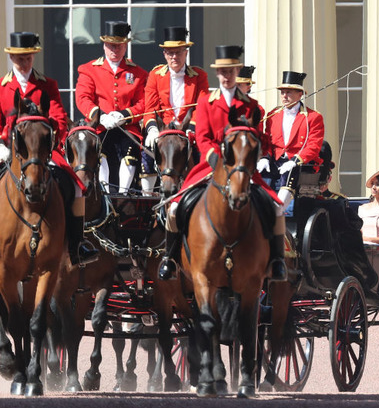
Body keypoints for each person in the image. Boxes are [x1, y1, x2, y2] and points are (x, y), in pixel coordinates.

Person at [0, 31, 98, 265]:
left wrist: (49, 141)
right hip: (6, 151)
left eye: (28, 58)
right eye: (20, 58)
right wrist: (0, 146)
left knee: (77, 187)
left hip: (41, 151)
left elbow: (60, 118)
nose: (25, 63)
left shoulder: (47, 85)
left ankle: (77, 244)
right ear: (12, 58)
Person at [158, 45, 287, 283]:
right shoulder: (206, 101)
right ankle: (170, 258)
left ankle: (277, 260)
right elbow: (203, 138)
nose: (227, 76)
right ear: (218, 73)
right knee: (176, 208)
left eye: (231, 71)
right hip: (211, 166)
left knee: (276, 207)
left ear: (237, 71)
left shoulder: (252, 105)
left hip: (241, 169)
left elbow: (260, 138)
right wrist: (214, 158)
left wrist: (256, 149)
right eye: (223, 72)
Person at [74, 21, 150, 194]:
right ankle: (105, 193)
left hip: (127, 129)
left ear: (125, 46)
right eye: (111, 46)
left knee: (129, 155)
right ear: (104, 45)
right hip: (100, 127)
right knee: (100, 155)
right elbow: (82, 98)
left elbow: (143, 103)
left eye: (119, 46)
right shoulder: (88, 70)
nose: (115, 50)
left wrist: (124, 115)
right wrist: (99, 116)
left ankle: (122, 194)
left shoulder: (138, 73)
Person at [258, 71, 326, 212]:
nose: (284, 96)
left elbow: (314, 145)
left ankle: (277, 211)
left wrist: (295, 160)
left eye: (288, 92)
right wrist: (264, 157)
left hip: (296, 164)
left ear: (300, 94)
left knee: (289, 175)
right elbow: (267, 140)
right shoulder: (273, 114)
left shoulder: (313, 117)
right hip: (275, 161)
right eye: (282, 92)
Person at [142, 26, 209, 164]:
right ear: (164, 54)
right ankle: (147, 186)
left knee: (202, 161)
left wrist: (191, 129)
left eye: (178, 52)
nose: (174, 57)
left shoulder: (199, 76)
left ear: (186, 53)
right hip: (164, 131)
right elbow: (150, 108)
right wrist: (153, 129)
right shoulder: (155, 75)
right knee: (146, 159)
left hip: (188, 131)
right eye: (170, 53)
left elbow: (201, 107)